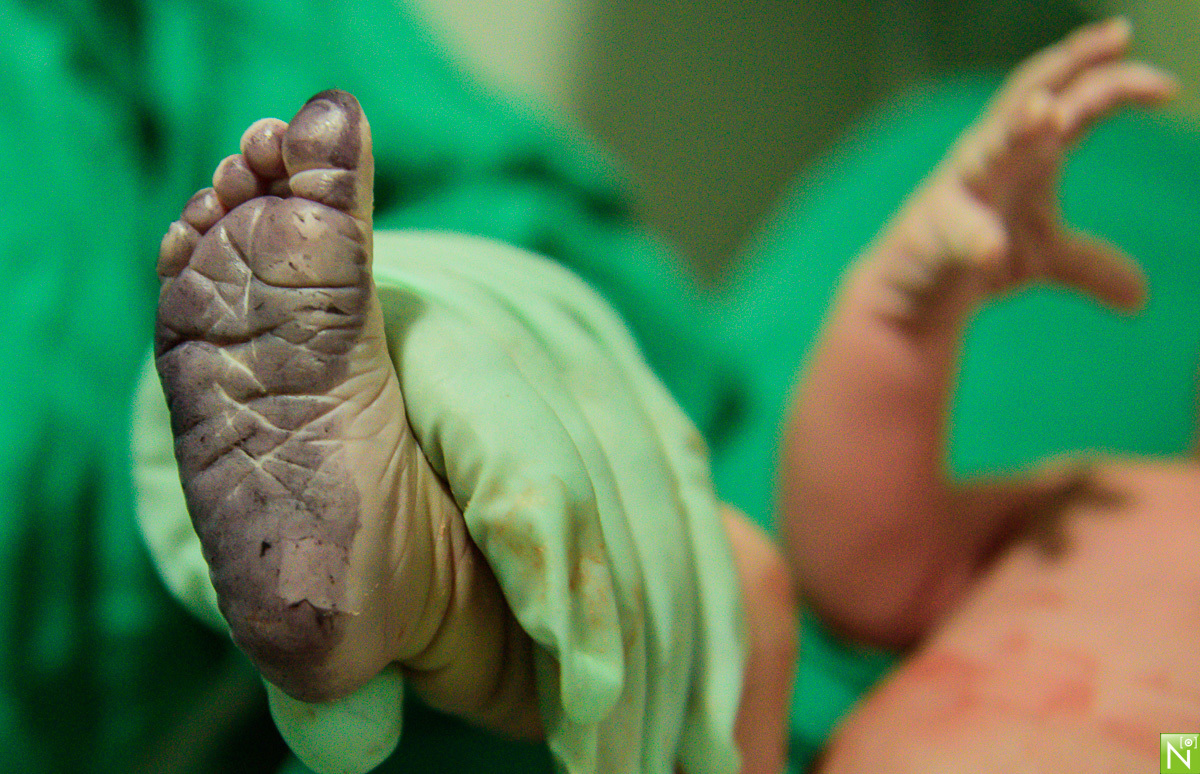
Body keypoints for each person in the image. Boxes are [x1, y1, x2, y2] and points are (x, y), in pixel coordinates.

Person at [777, 17, 1196, 770]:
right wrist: (904, 314)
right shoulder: (1103, 499)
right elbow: (867, 572)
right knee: (739, 579)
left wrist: (1177, 752)